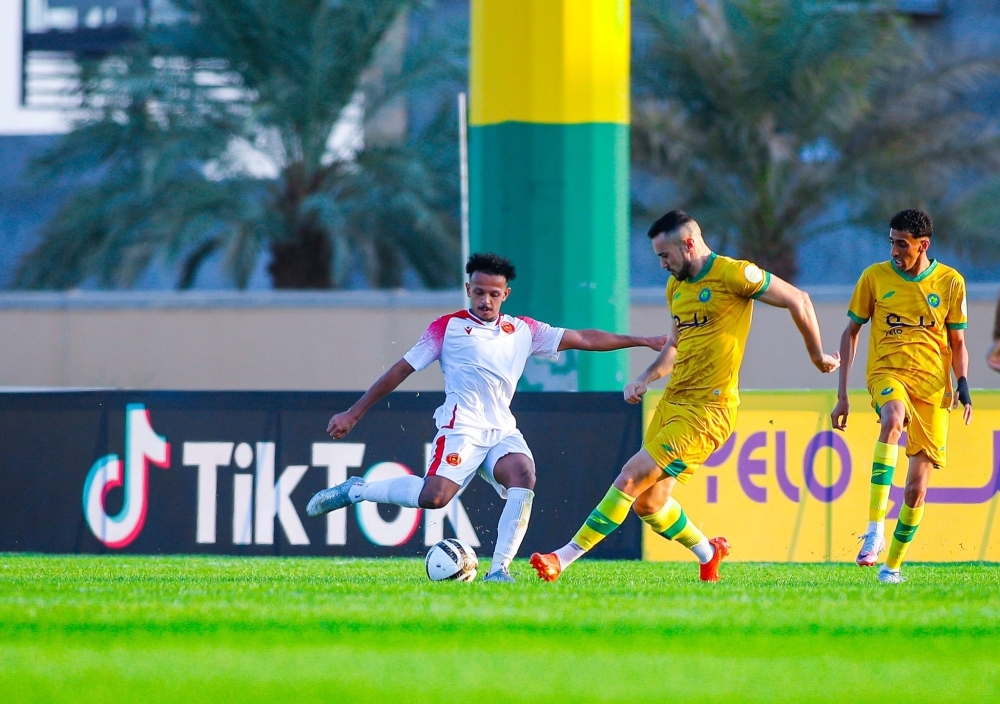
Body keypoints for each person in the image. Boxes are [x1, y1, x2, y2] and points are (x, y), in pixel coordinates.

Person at [305, 252, 667, 583]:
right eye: (478, 292)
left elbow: (584, 338)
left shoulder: (523, 330)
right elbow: (401, 370)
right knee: (434, 498)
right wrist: (354, 412)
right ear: (468, 289)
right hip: (461, 429)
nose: (485, 300)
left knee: (523, 475)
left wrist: (644, 340)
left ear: (505, 294)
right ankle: (358, 490)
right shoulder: (446, 328)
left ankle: (499, 570)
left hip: (501, 430)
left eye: (494, 294)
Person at [530, 211, 840, 583]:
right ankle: (709, 553)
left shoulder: (734, 274)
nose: (662, 264)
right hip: (673, 403)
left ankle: (561, 559)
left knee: (630, 477)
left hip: (709, 410)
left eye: (665, 255)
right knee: (649, 504)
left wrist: (817, 355)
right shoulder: (676, 288)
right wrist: (645, 378)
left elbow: (799, 299)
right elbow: (677, 345)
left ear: (689, 243)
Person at [832, 209, 971, 583]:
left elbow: (958, 342)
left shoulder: (950, 282)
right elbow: (850, 333)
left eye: (902, 244)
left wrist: (963, 383)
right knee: (892, 418)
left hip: (933, 389)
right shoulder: (874, 277)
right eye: (891, 242)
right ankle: (874, 528)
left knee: (915, 492)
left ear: (923, 245)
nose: (894, 251)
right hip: (887, 374)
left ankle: (891, 568)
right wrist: (842, 394)